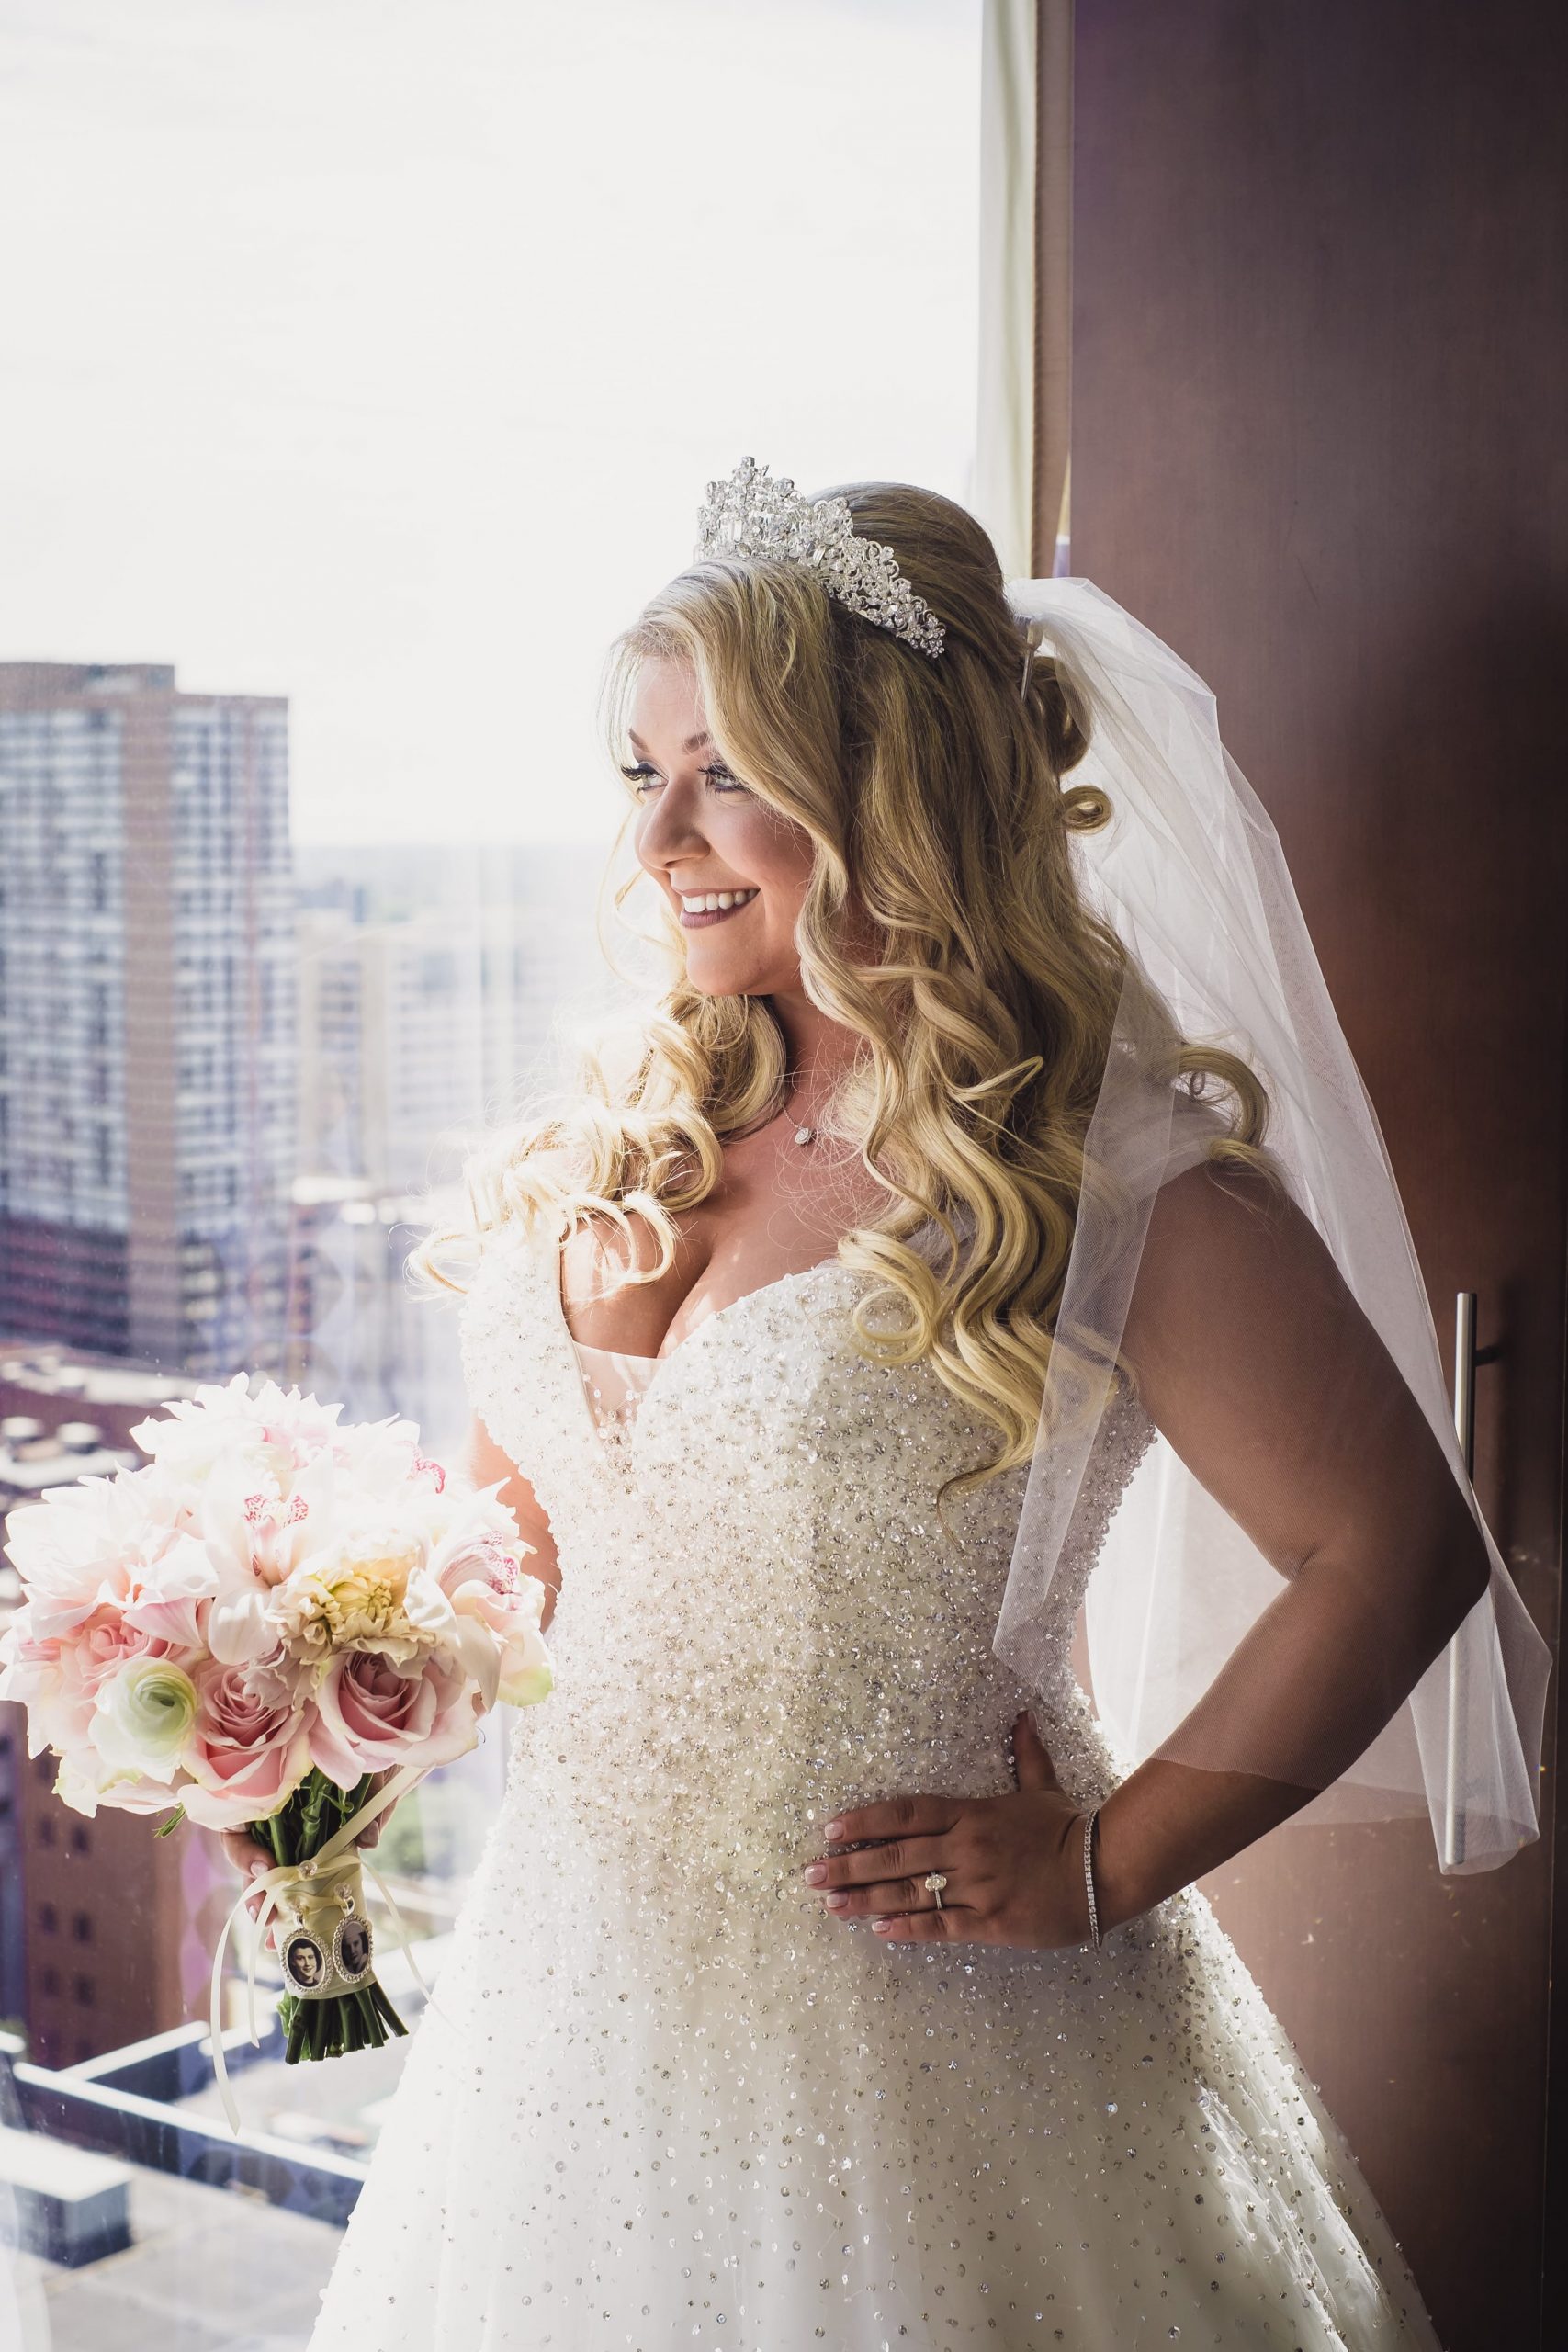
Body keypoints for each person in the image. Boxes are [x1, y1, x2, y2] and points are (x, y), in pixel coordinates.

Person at [235, 468, 1538, 2348]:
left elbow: (1393, 1547)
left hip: (920, 2028)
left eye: (723, 772)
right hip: (563, 2008)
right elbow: (518, 1552)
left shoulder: (1106, 1169)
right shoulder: (628, 1121)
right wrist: (301, 1698)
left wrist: (1108, 1857)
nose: (658, 835)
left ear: (883, 786)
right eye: (639, 772)